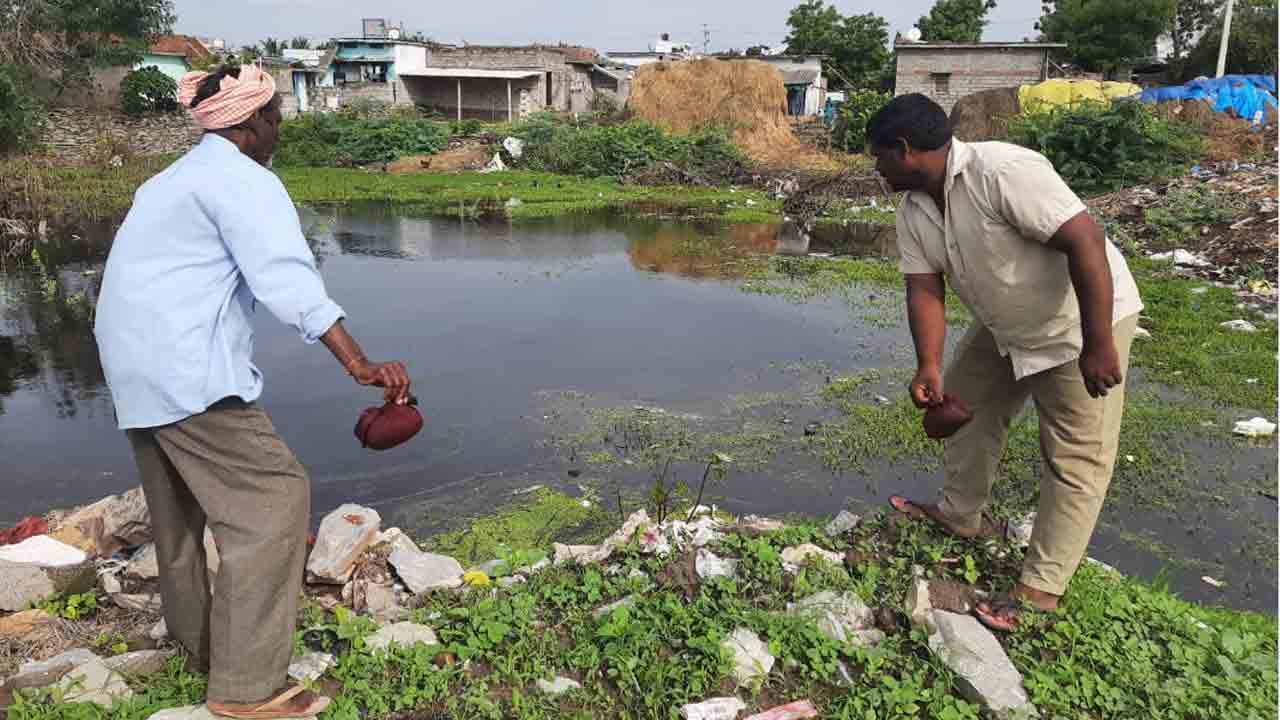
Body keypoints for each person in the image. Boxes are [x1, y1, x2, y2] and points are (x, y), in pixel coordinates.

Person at [94, 65, 411, 718]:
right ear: (250, 124)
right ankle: (245, 692)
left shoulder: (173, 179)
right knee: (274, 500)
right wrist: (359, 363)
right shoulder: (243, 182)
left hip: (134, 365)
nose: (279, 132)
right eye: (276, 119)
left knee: (179, 521)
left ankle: (202, 650)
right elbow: (288, 280)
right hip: (188, 369)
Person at [867, 94, 1143, 631]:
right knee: (962, 407)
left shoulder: (1003, 171)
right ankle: (959, 515)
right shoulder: (914, 207)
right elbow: (923, 287)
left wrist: (1098, 343)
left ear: (904, 150)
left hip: (1074, 325)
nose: (876, 169)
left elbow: (1086, 240)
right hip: (1004, 327)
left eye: (878, 157)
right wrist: (928, 366)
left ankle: (1041, 588)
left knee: (1076, 456)